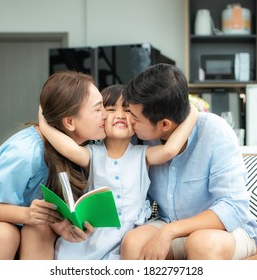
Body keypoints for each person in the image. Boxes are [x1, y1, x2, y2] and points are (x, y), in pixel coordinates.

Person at [0, 71, 107, 259]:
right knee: (5, 234)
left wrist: (63, 225)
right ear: (70, 122)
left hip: (33, 227)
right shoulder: (25, 151)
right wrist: (27, 215)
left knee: (39, 228)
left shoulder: (87, 148)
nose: (106, 115)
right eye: (98, 109)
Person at [38, 84, 198, 259]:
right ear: (101, 119)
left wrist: (192, 112)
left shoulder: (142, 155)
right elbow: (67, 148)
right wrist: (44, 121)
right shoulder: (92, 154)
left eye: (128, 110)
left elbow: (170, 150)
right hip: (93, 239)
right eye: (111, 109)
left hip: (130, 239)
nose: (121, 115)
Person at [120, 63, 257, 260]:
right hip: (168, 222)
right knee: (133, 243)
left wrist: (170, 231)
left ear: (164, 124)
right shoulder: (140, 136)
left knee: (201, 244)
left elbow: (233, 208)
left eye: (134, 118)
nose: (128, 120)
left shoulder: (215, 131)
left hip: (226, 231)